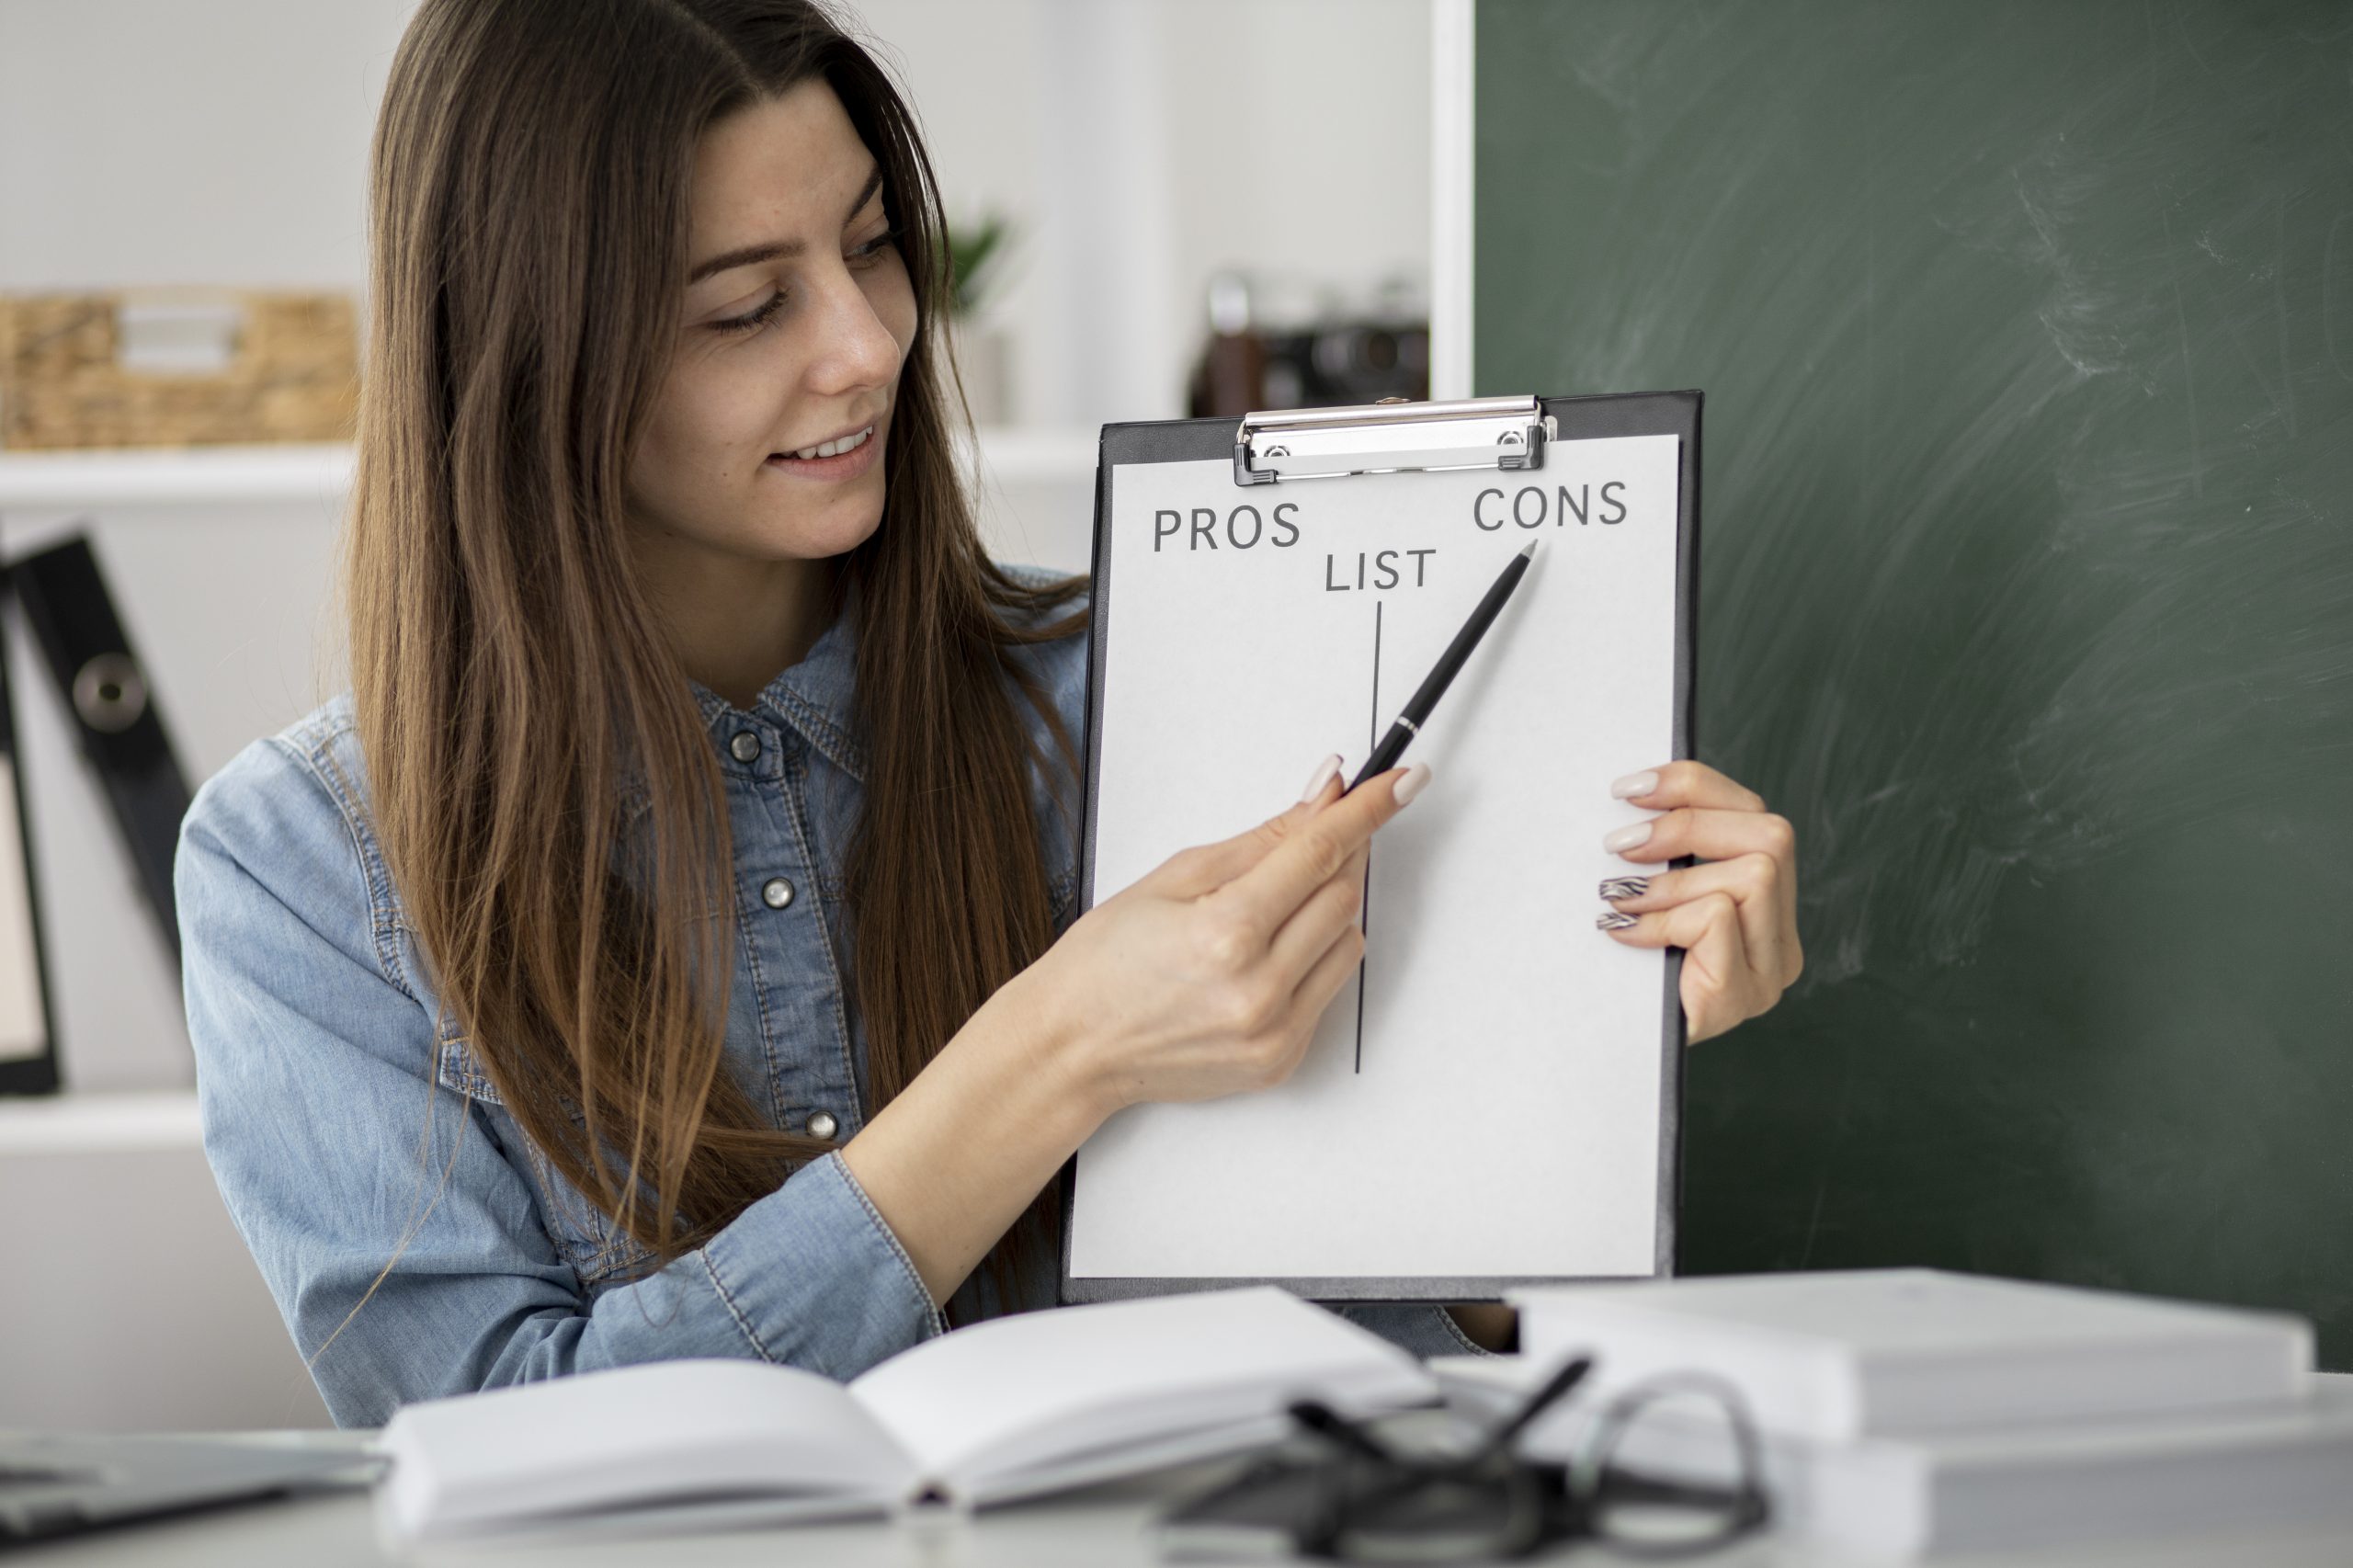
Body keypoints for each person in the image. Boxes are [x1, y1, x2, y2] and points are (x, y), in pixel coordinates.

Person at [176, 0, 1803, 1428]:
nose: (872, 343)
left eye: (876, 246)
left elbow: (1407, 1365)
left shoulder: (1150, 682)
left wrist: (1560, 1095)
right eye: (749, 307)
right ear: (532, 364)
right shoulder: (303, 868)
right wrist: (1054, 1048)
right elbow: (500, 1460)